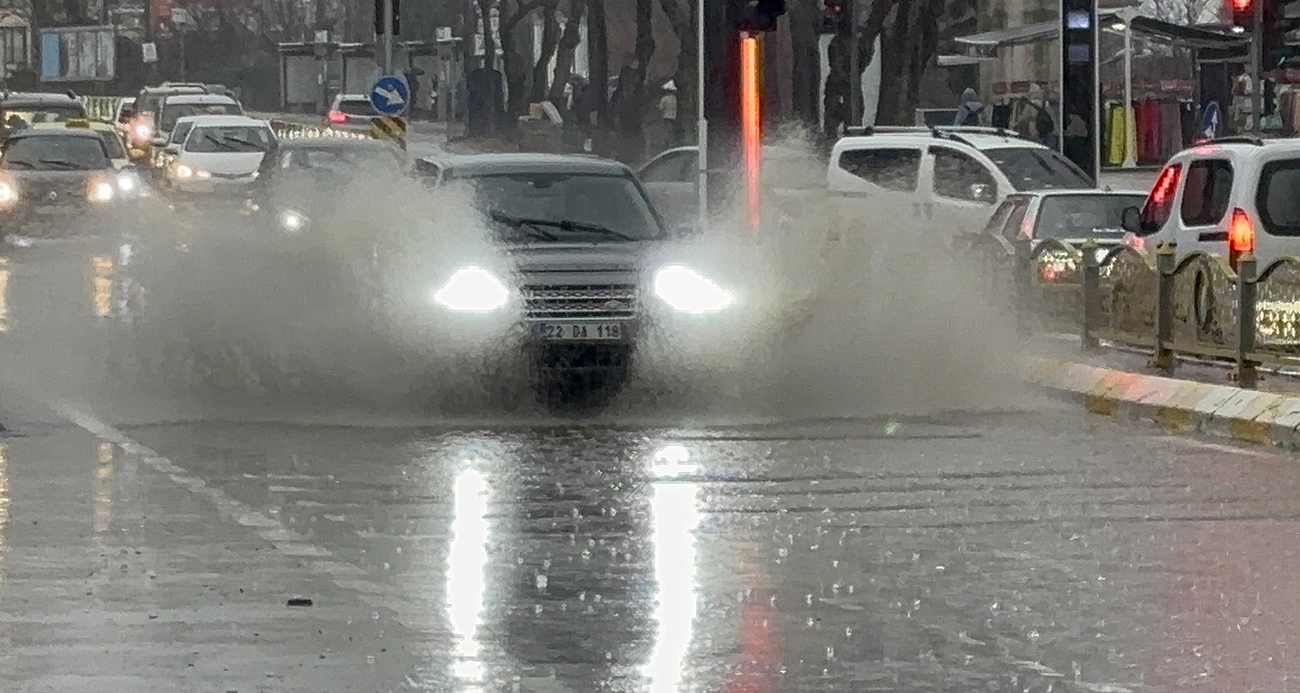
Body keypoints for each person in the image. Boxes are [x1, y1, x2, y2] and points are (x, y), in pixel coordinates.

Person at [658, 80, 681, 146]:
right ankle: (672, 142)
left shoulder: (665, 98)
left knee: (666, 130)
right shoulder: (674, 98)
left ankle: (667, 143)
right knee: (672, 130)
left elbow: (660, 107)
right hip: (673, 116)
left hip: (666, 116)